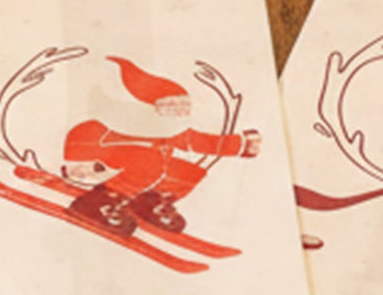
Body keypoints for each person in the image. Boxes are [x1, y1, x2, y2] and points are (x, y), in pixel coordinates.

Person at [61, 56, 260, 234]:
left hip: (124, 171)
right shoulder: (112, 125)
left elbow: (197, 141)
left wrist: (242, 145)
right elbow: (84, 147)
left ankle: (147, 201)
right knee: (151, 161)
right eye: (172, 110)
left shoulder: (164, 128)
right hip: (92, 168)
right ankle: (98, 203)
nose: (177, 115)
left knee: (189, 172)